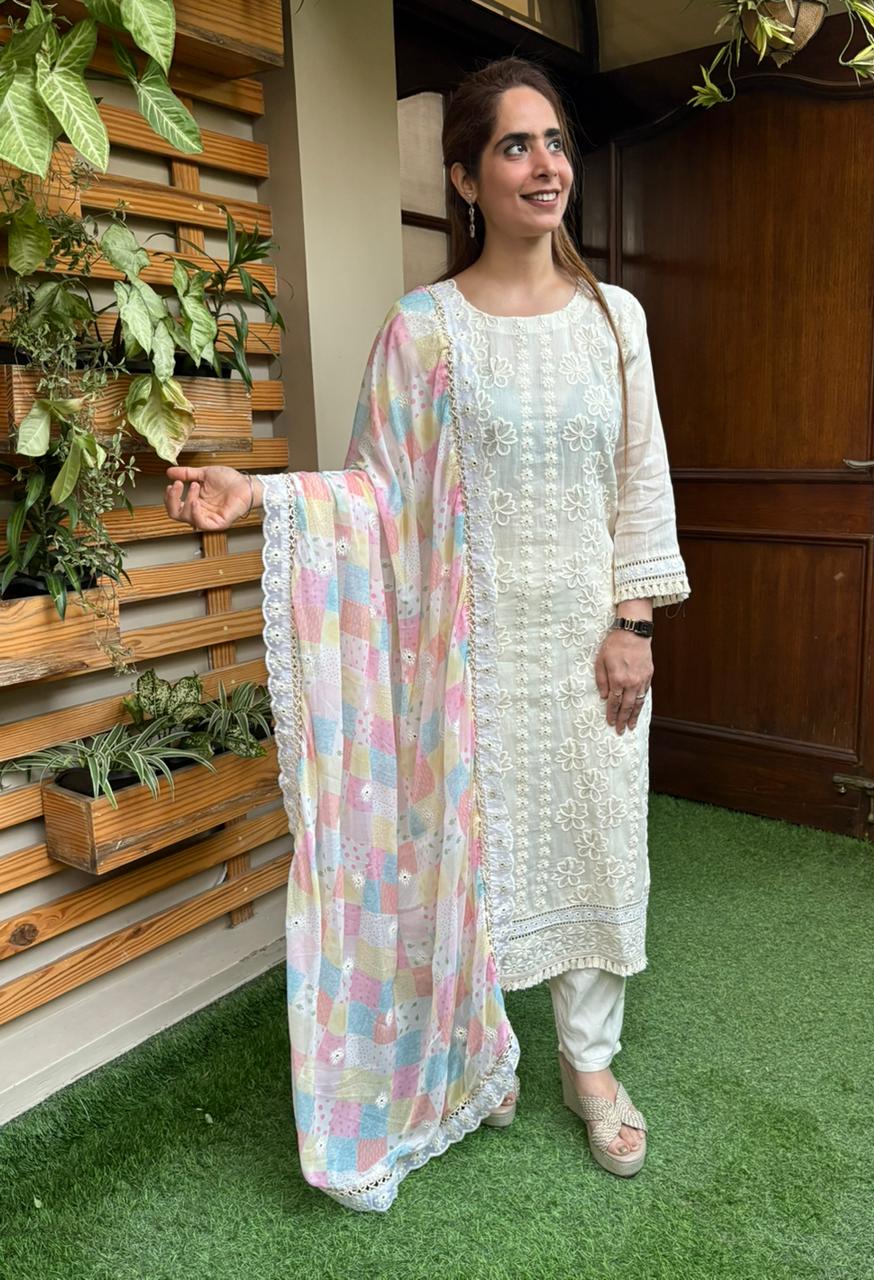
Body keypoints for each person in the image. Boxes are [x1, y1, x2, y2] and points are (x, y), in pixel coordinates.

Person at [164, 56, 690, 1211]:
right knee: (468, 844)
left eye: (554, 142)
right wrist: (260, 497)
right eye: (514, 145)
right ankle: (475, 1053)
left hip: (589, 641)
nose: (545, 165)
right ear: (464, 176)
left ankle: (589, 1065)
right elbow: (378, 495)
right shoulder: (422, 331)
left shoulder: (616, 321)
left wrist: (634, 621)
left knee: (597, 839)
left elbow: (640, 477)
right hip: (467, 650)